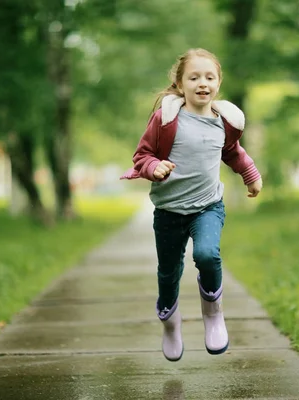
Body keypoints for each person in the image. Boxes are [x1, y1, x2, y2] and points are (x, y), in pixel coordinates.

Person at [120, 48, 262, 361]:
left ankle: (213, 315)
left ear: (218, 83)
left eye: (209, 77)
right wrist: (154, 167)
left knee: (207, 254)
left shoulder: (224, 122)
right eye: (194, 77)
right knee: (168, 272)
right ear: (180, 83)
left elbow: (233, 152)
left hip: (207, 206)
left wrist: (250, 174)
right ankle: (171, 324)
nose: (202, 83)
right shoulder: (167, 119)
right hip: (169, 210)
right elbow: (142, 156)